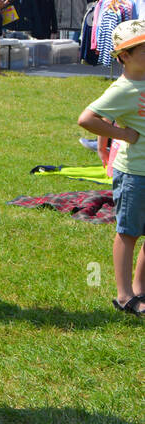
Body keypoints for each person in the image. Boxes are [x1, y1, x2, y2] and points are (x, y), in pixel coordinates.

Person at [78, 19, 145, 317]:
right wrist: (123, 135)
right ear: (124, 57)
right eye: (142, 49)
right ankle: (123, 296)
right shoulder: (123, 89)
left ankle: (140, 288)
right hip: (134, 174)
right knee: (128, 233)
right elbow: (87, 119)